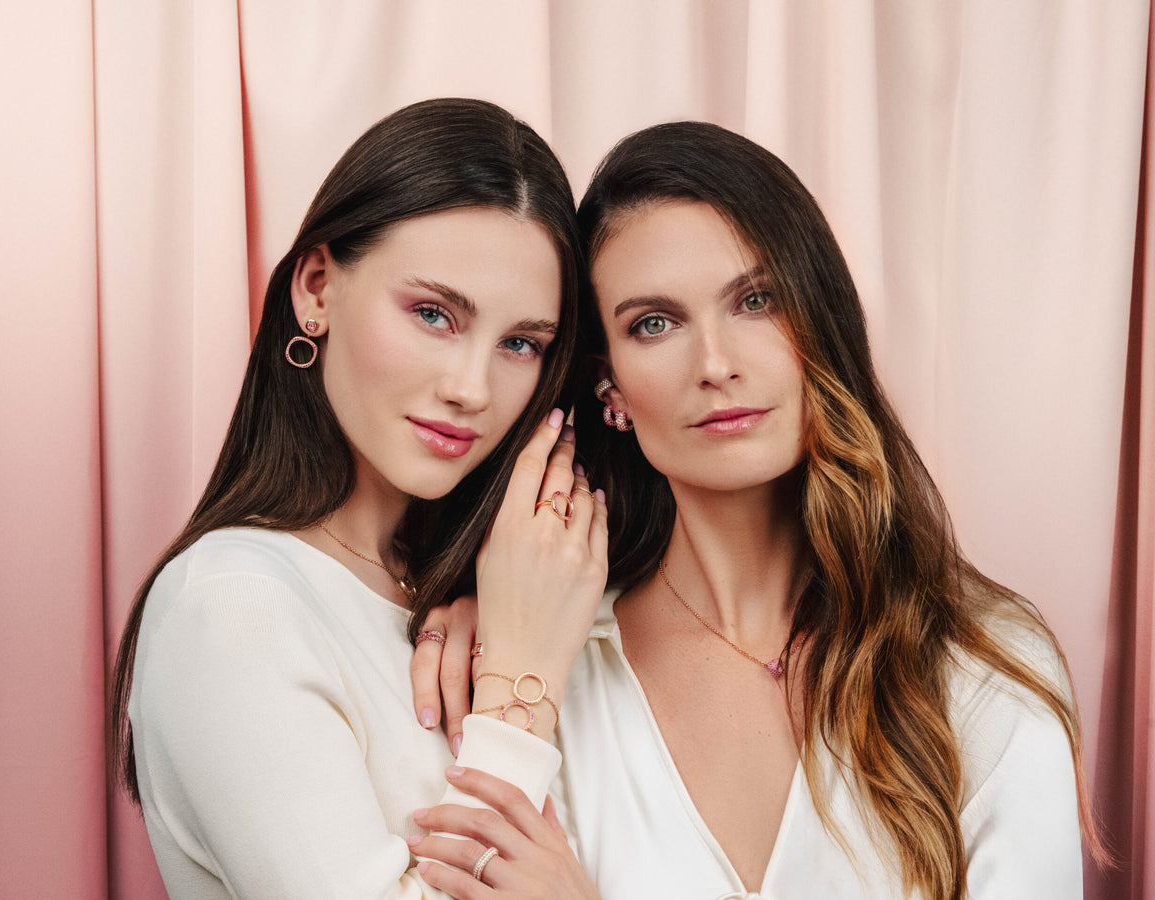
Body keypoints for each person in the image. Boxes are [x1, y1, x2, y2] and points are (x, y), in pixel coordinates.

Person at [408, 122, 1107, 899]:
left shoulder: (982, 667)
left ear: (818, 321)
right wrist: (510, 654)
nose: (716, 364)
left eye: (756, 300)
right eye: (655, 323)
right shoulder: (553, 675)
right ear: (610, 388)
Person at [108, 97, 609, 899]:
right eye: (433, 314)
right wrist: (521, 685)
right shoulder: (235, 607)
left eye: (521, 343)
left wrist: (500, 614)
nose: (471, 388)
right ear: (316, 288)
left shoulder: (491, 600)